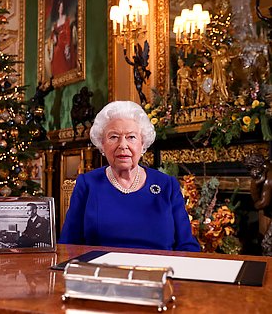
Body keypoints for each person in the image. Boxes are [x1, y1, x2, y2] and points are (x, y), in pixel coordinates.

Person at [59, 101, 200, 252]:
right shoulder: (87, 184)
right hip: (101, 272)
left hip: (158, 273)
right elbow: (68, 245)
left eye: (131, 137)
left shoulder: (167, 185)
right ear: (102, 143)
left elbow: (187, 245)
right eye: (113, 137)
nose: (123, 145)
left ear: (143, 143)